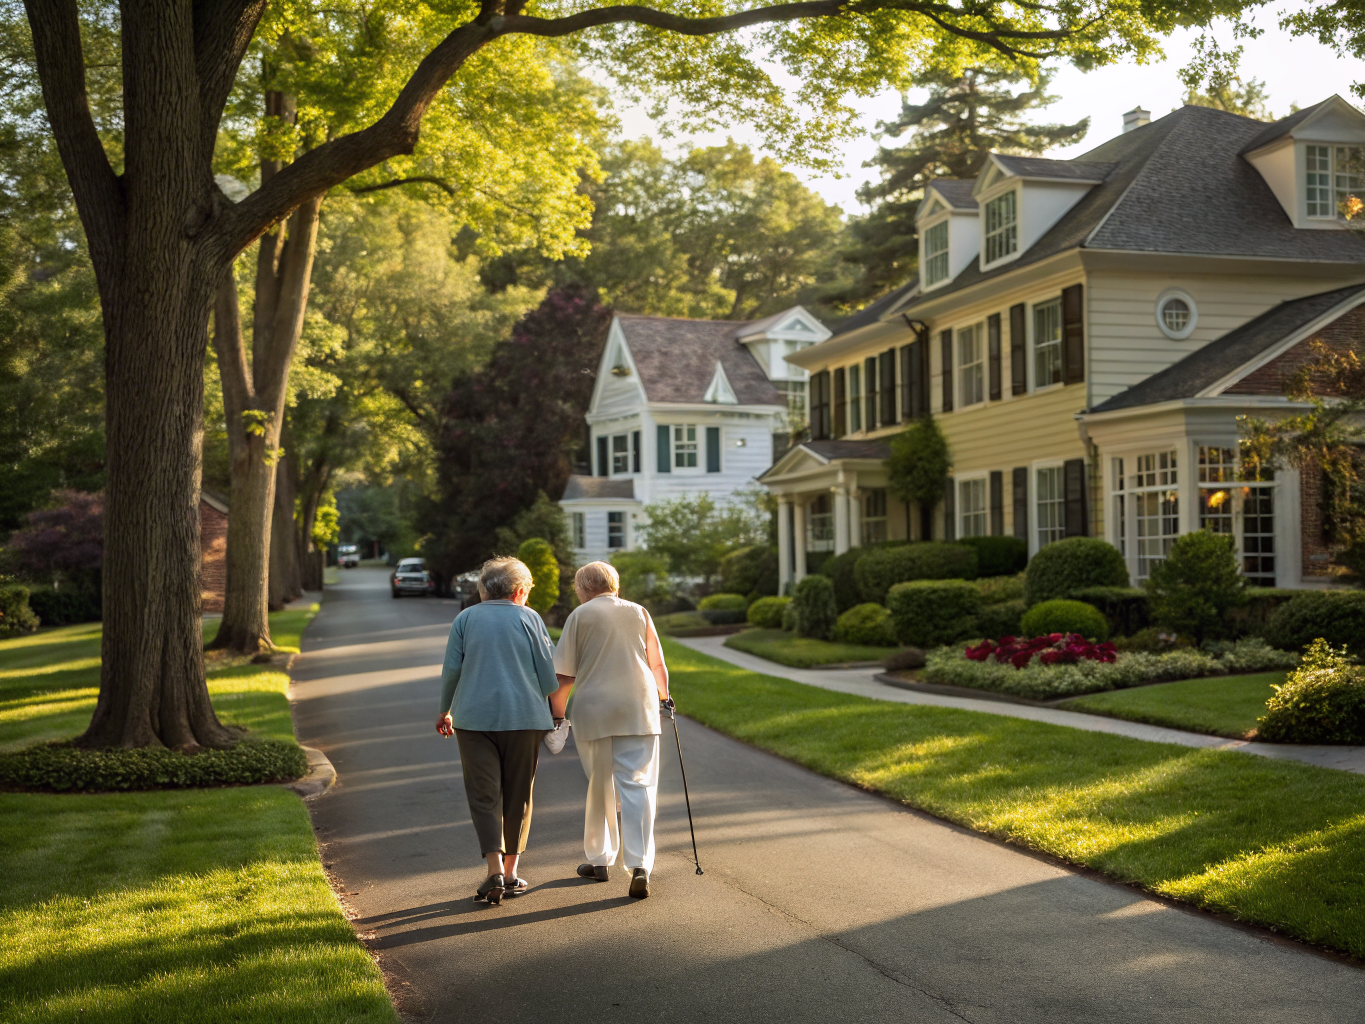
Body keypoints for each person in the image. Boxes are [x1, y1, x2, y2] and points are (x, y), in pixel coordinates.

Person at [436, 556, 567, 906]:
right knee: (518, 793)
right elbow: (549, 676)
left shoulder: (465, 619)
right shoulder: (530, 618)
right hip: (525, 718)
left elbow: (451, 670)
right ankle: (510, 874)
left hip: (473, 719)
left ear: (485, 589)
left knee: (484, 794)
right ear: (519, 590)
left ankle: (493, 869)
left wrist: (445, 710)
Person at [552, 561, 669, 900]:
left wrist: (557, 716)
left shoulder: (579, 616)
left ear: (583, 589)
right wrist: (665, 697)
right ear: (614, 584)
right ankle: (640, 865)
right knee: (638, 785)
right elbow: (656, 662)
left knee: (600, 785)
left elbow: (564, 675)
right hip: (638, 706)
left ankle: (600, 860)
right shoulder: (639, 612)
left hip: (595, 709)